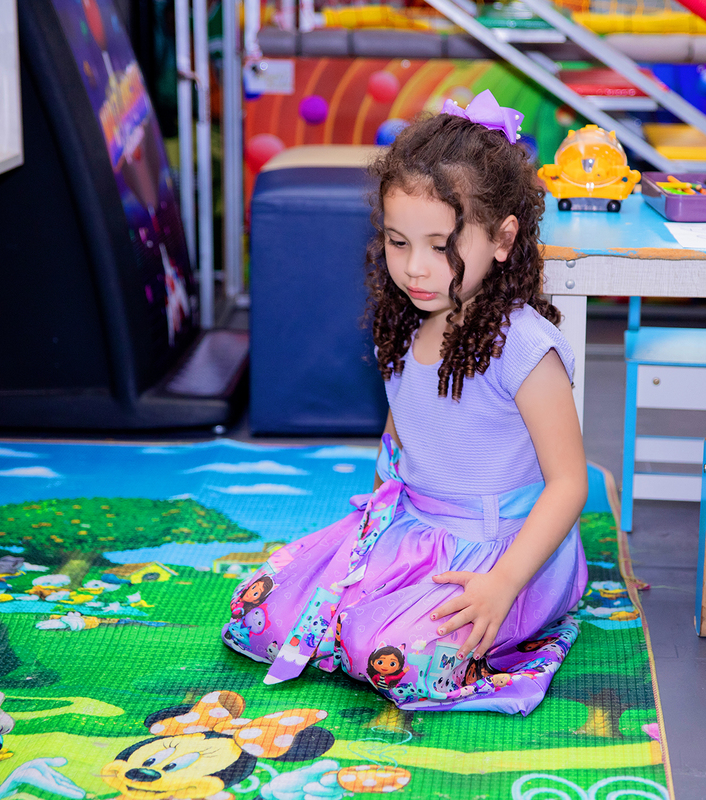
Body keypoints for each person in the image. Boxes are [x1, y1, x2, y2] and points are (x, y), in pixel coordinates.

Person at [221, 91, 589, 715]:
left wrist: (502, 584)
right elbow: (398, 442)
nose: (416, 268)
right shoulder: (404, 324)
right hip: (413, 532)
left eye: (441, 246)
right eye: (398, 242)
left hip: (505, 553)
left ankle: (516, 614)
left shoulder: (526, 347)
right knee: (261, 614)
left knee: (390, 655)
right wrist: (369, 541)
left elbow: (569, 484)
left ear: (502, 239)